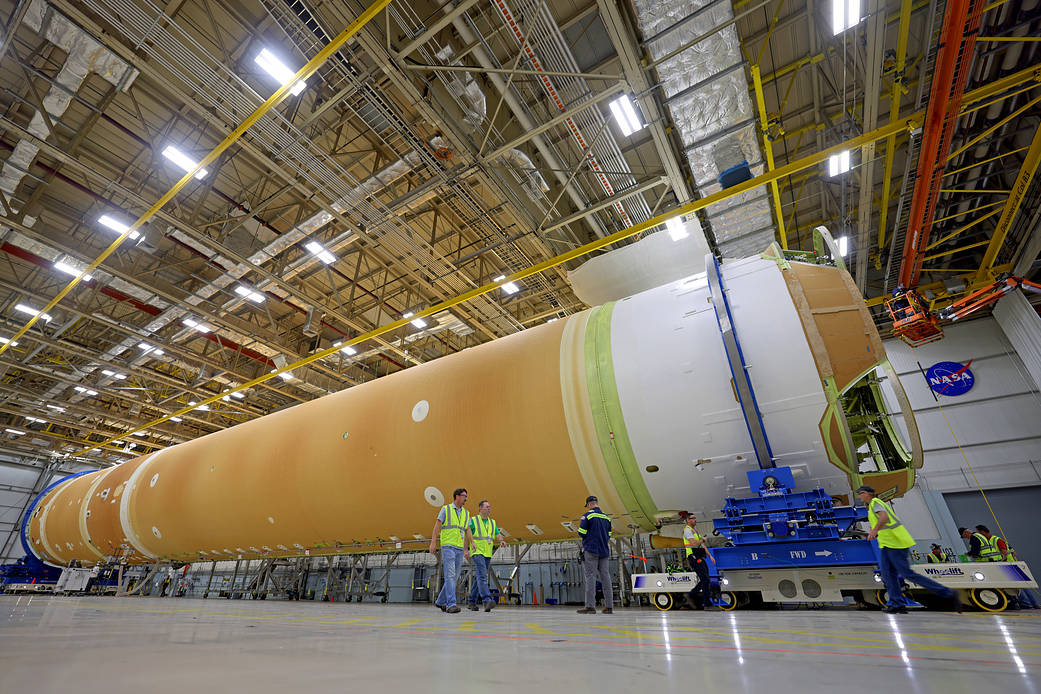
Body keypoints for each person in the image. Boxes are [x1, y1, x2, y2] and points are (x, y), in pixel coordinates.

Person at [857, 485, 960, 614]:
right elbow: (884, 523)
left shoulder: (875, 502)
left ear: (867, 493)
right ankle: (897, 604)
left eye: (860, 493)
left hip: (896, 543)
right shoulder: (872, 506)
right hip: (887, 544)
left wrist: (875, 530)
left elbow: (884, 518)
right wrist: (874, 531)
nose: (859, 496)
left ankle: (948, 593)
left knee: (907, 574)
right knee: (888, 575)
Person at [429, 488, 472, 613]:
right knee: (450, 575)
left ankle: (440, 601)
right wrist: (433, 542)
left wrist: (468, 547)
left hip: (459, 548)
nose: (466, 498)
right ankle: (450, 604)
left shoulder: (466, 513)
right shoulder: (446, 509)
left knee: (455, 576)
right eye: (464, 496)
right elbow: (437, 527)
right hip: (448, 546)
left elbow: (466, 530)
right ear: (457, 496)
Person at [576, 495, 613, 615]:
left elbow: (581, 532)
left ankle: (590, 607)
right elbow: (609, 534)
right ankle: (609, 607)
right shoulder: (606, 518)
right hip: (604, 551)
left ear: (589, 504)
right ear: (596, 503)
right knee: (606, 577)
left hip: (591, 550)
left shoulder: (587, 516)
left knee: (590, 577)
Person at [467, 499, 507, 612]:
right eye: (487, 507)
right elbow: (467, 535)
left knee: (478, 578)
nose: (489, 508)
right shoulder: (473, 520)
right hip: (477, 552)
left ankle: (471, 602)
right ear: (480, 509)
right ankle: (487, 600)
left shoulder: (492, 522)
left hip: (487, 553)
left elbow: (497, 534)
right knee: (483, 576)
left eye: (490, 507)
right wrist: (466, 550)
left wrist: (501, 541)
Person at [681, 512, 717, 610]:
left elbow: (702, 545)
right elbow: (694, 544)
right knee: (705, 580)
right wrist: (703, 540)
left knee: (706, 579)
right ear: (688, 520)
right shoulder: (687, 531)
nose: (695, 520)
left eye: (695, 518)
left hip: (699, 557)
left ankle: (692, 595)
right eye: (692, 518)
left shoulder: (694, 531)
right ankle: (706, 604)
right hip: (693, 557)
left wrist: (710, 556)